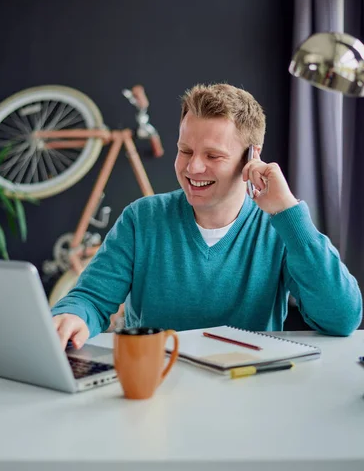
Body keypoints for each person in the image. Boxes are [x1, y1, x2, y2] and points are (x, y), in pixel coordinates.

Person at [52, 83, 363, 350]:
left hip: (248, 388)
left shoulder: (278, 227)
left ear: (252, 156)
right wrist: (73, 316)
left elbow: (342, 318)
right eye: (185, 150)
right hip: (156, 384)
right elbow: (90, 298)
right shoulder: (141, 218)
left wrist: (289, 213)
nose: (192, 168)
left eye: (213, 155)